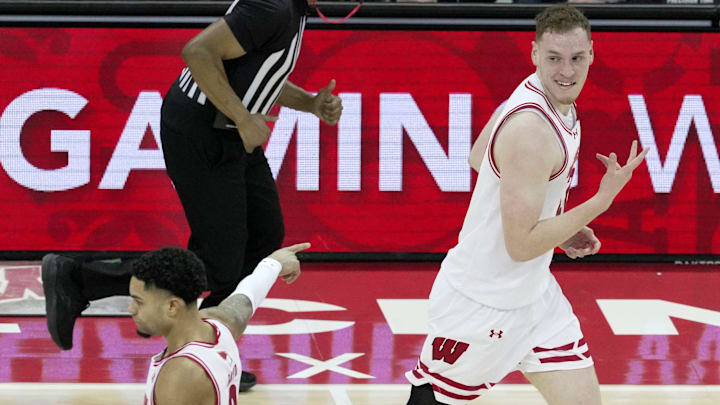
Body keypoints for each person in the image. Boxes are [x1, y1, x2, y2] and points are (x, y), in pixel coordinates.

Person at [41, 0, 342, 391]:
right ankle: (78, 279)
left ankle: (214, 345)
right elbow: (197, 52)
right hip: (202, 131)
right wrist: (243, 117)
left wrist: (310, 102)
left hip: (228, 131)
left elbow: (249, 74)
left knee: (263, 237)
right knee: (217, 262)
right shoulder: (273, 7)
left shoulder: (291, 9)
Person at [405, 5, 649, 405]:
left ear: (593, 53)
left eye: (576, 58)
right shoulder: (531, 129)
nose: (566, 71)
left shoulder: (549, 98)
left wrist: (563, 226)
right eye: (554, 59)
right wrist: (601, 200)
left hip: (534, 297)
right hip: (482, 303)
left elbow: (478, 156)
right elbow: (521, 245)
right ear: (534, 53)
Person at [128, 243, 309, 405]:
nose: (131, 309)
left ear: (172, 306)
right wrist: (272, 264)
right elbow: (244, 302)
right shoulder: (217, 326)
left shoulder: (181, 373)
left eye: (139, 301)